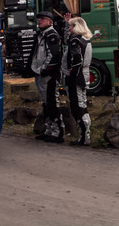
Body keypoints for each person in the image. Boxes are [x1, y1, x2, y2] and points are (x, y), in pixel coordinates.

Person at [27, 11, 64, 143]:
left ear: (50, 21)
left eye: (43, 19)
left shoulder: (52, 35)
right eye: (39, 19)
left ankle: (58, 132)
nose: (40, 21)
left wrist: (44, 70)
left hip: (50, 75)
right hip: (40, 74)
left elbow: (53, 56)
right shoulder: (41, 34)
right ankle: (48, 130)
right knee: (46, 104)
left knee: (52, 102)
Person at [63, 13, 93, 146]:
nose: (69, 29)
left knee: (77, 106)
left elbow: (77, 58)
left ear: (75, 27)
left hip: (77, 77)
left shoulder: (76, 40)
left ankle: (84, 136)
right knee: (82, 104)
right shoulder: (85, 39)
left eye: (70, 26)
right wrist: (66, 23)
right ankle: (85, 135)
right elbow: (67, 41)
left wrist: (72, 71)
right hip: (83, 74)